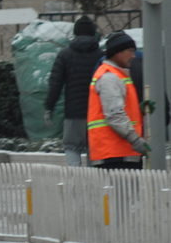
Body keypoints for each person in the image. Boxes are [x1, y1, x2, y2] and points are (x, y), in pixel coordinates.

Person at [43, 17, 103, 167]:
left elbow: (55, 84)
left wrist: (49, 107)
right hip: (97, 114)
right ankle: (94, 181)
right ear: (93, 33)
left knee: (71, 147)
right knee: (94, 149)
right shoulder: (102, 56)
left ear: (75, 33)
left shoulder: (65, 55)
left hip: (73, 113)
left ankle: (76, 176)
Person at [86, 31, 149, 170]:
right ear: (117, 53)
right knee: (124, 192)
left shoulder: (116, 75)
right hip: (115, 154)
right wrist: (135, 140)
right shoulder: (110, 77)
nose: (133, 56)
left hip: (117, 153)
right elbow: (114, 115)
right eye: (130, 51)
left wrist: (139, 110)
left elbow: (116, 110)